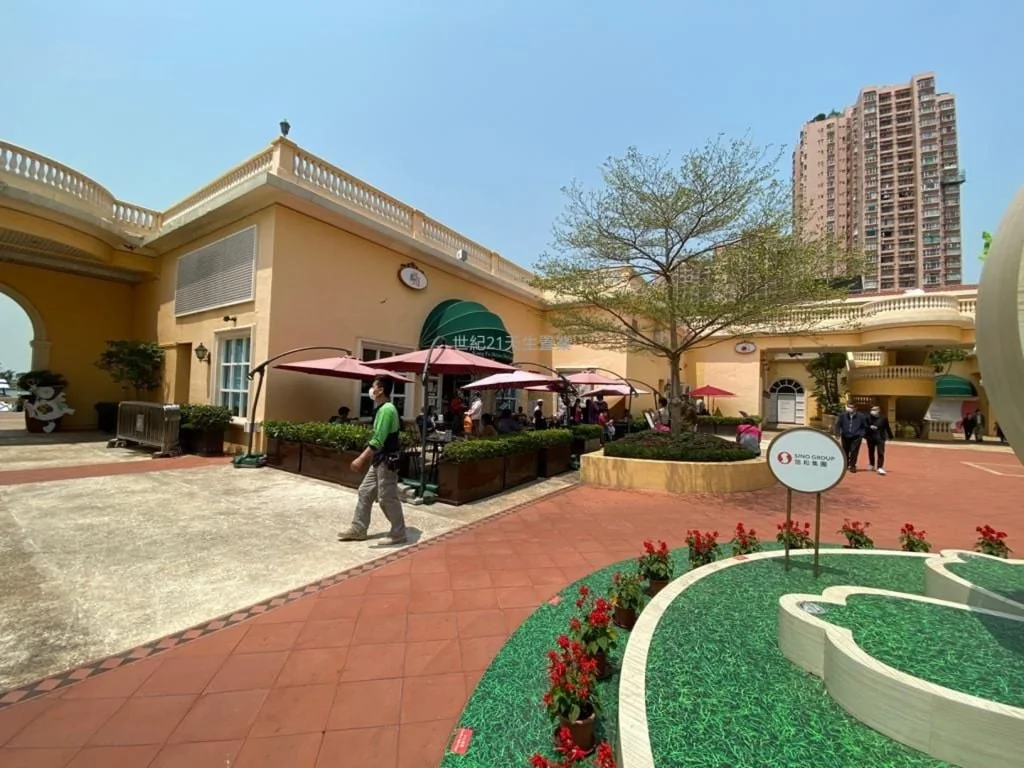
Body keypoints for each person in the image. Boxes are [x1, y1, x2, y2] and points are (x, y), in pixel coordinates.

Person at [338, 376, 407, 545]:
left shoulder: (387, 410)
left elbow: (378, 440)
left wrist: (361, 458)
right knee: (365, 491)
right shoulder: (383, 409)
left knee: (386, 497)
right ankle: (358, 529)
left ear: (381, 390)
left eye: (373, 386)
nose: (371, 389)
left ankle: (398, 532)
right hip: (379, 460)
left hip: (387, 460)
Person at [835, 402, 867, 473]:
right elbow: (838, 424)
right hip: (845, 436)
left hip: (856, 437)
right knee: (845, 451)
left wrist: (862, 434)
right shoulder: (842, 415)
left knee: (854, 451)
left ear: (855, 408)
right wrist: (837, 433)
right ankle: (846, 464)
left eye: (851, 407)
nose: (849, 408)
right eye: (848, 407)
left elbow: (865, 426)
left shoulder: (861, 416)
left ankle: (853, 466)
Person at [865, 405, 894, 475]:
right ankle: (871, 464)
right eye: (872, 409)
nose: (873, 411)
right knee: (871, 451)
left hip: (880, 437)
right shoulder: (868, 417)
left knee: (880, 452)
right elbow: (865, 426)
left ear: (878, 410)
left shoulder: (883, 418)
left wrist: (890, 436)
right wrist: (869, 427)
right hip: (870, 437)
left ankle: (880, 467)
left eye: (874, 409)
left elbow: (887, 427)